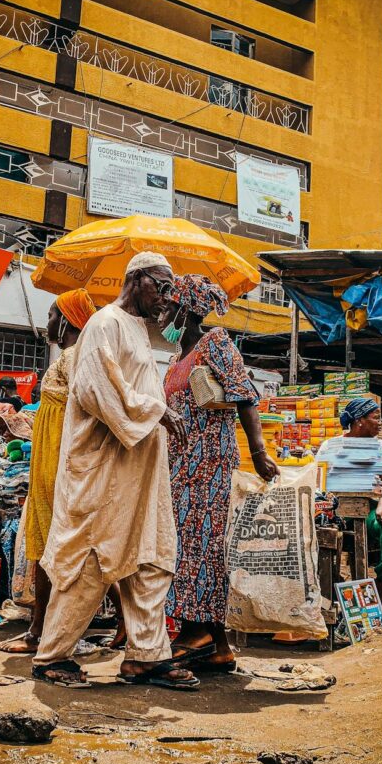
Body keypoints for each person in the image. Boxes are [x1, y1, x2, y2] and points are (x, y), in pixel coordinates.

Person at [31, 252, 197, 691]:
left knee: (149, 556)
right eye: (160, 286)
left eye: (169, 289)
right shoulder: (104, 323)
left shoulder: (142, 332)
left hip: (139, 469)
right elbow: (95, 391)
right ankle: (52, 655)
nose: (165, 297)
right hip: (102, 466)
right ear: (136, 279)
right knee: (90, 559)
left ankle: (146, 656)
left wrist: (154, 412)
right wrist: (157, 411)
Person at [159, 274, 278, 673]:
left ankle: (196, 631)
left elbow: (245, 395)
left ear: (185, 309)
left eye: (166, 305)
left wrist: (259, 452)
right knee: (194, 545)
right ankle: (220, 647)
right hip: (182, 464)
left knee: (199, 547)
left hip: (209, 462)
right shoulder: (178, 357)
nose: (161, 313)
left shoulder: (216, 344)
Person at [0, 288, 96, 654]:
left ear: (67, 319)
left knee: (60, 553)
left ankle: (45, 633)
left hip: (62, 470)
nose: (48, 321)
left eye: (53, 315)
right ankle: (41, 630)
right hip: (47, 467)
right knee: (50, 550)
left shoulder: (76, 358)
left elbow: (86, 410)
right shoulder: (65, 359)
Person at [314, 397, 382, 611]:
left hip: (370, 511)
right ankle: (330, 583)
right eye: (376, 418)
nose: (380, 422)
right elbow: (318, 480)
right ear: (359, 421)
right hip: (335, 514)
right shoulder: (330, 446)